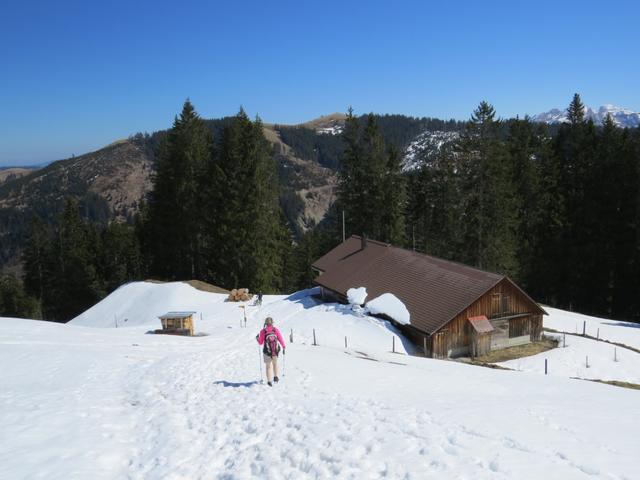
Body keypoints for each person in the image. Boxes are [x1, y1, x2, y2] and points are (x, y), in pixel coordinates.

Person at [256, 317, 285, 386]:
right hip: (275, 351)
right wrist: (283, 346)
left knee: (268, 366)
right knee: (275, 364)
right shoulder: (275, 330)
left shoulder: (263, 331)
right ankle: (276, 377)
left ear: (265, 323)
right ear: (272, 323)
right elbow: (280, 339)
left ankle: (269, 381)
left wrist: (257, 338)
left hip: (267, 351)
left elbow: (260, 342)